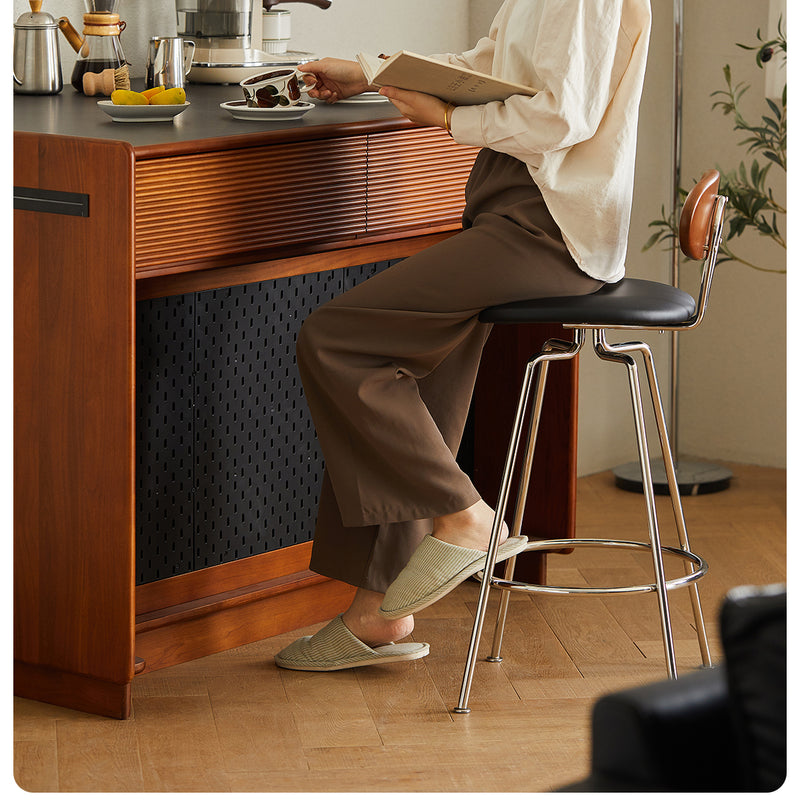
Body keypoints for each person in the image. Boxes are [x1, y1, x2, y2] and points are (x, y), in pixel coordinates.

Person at [274, 0, 652, 671]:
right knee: (413, 377)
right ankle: (376, 617)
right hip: (516, 204)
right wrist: (369, 72)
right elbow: (491, 69)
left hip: (547, 225)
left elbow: (565, 114)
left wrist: (449, 118)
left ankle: (468, 517)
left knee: (336, 339)